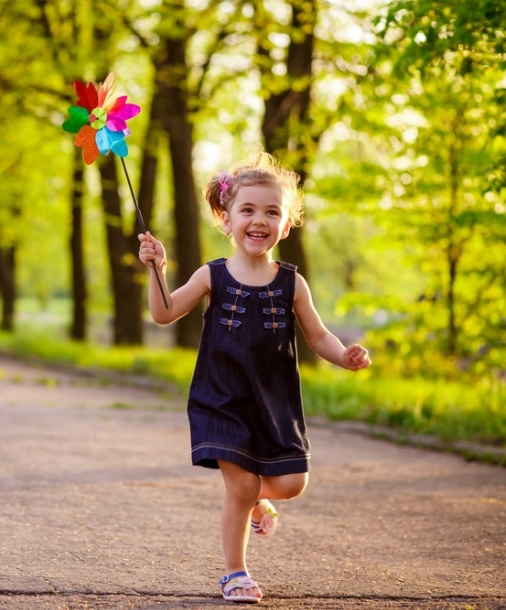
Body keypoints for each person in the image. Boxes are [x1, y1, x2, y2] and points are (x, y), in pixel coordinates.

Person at [137, 152, 371, 604]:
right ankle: (235, 572)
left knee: (291, 483)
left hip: (274, 401)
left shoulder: (291, 283)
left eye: (271, 212)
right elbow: (164, 312)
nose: (258, 220)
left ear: (286, 225)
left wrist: (345, 356)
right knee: (240, 483)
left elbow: (318, 335)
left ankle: (252, 500)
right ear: (227, 220)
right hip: (220, 398)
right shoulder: (213, 275)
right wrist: (157, 269)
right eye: (247, 210)